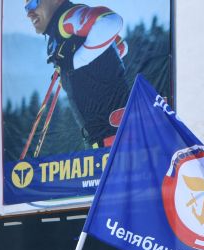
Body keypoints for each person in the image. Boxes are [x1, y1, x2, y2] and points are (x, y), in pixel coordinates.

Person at [25, 0, 130, 149]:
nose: (29, 12)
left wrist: (75, 62)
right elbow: (120, 46)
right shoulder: (58, 32)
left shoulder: (66, 17)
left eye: (34, 3)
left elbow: (111, 22)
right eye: (26, 7)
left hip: (114, 137)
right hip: (103, 137)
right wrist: (73, 75)